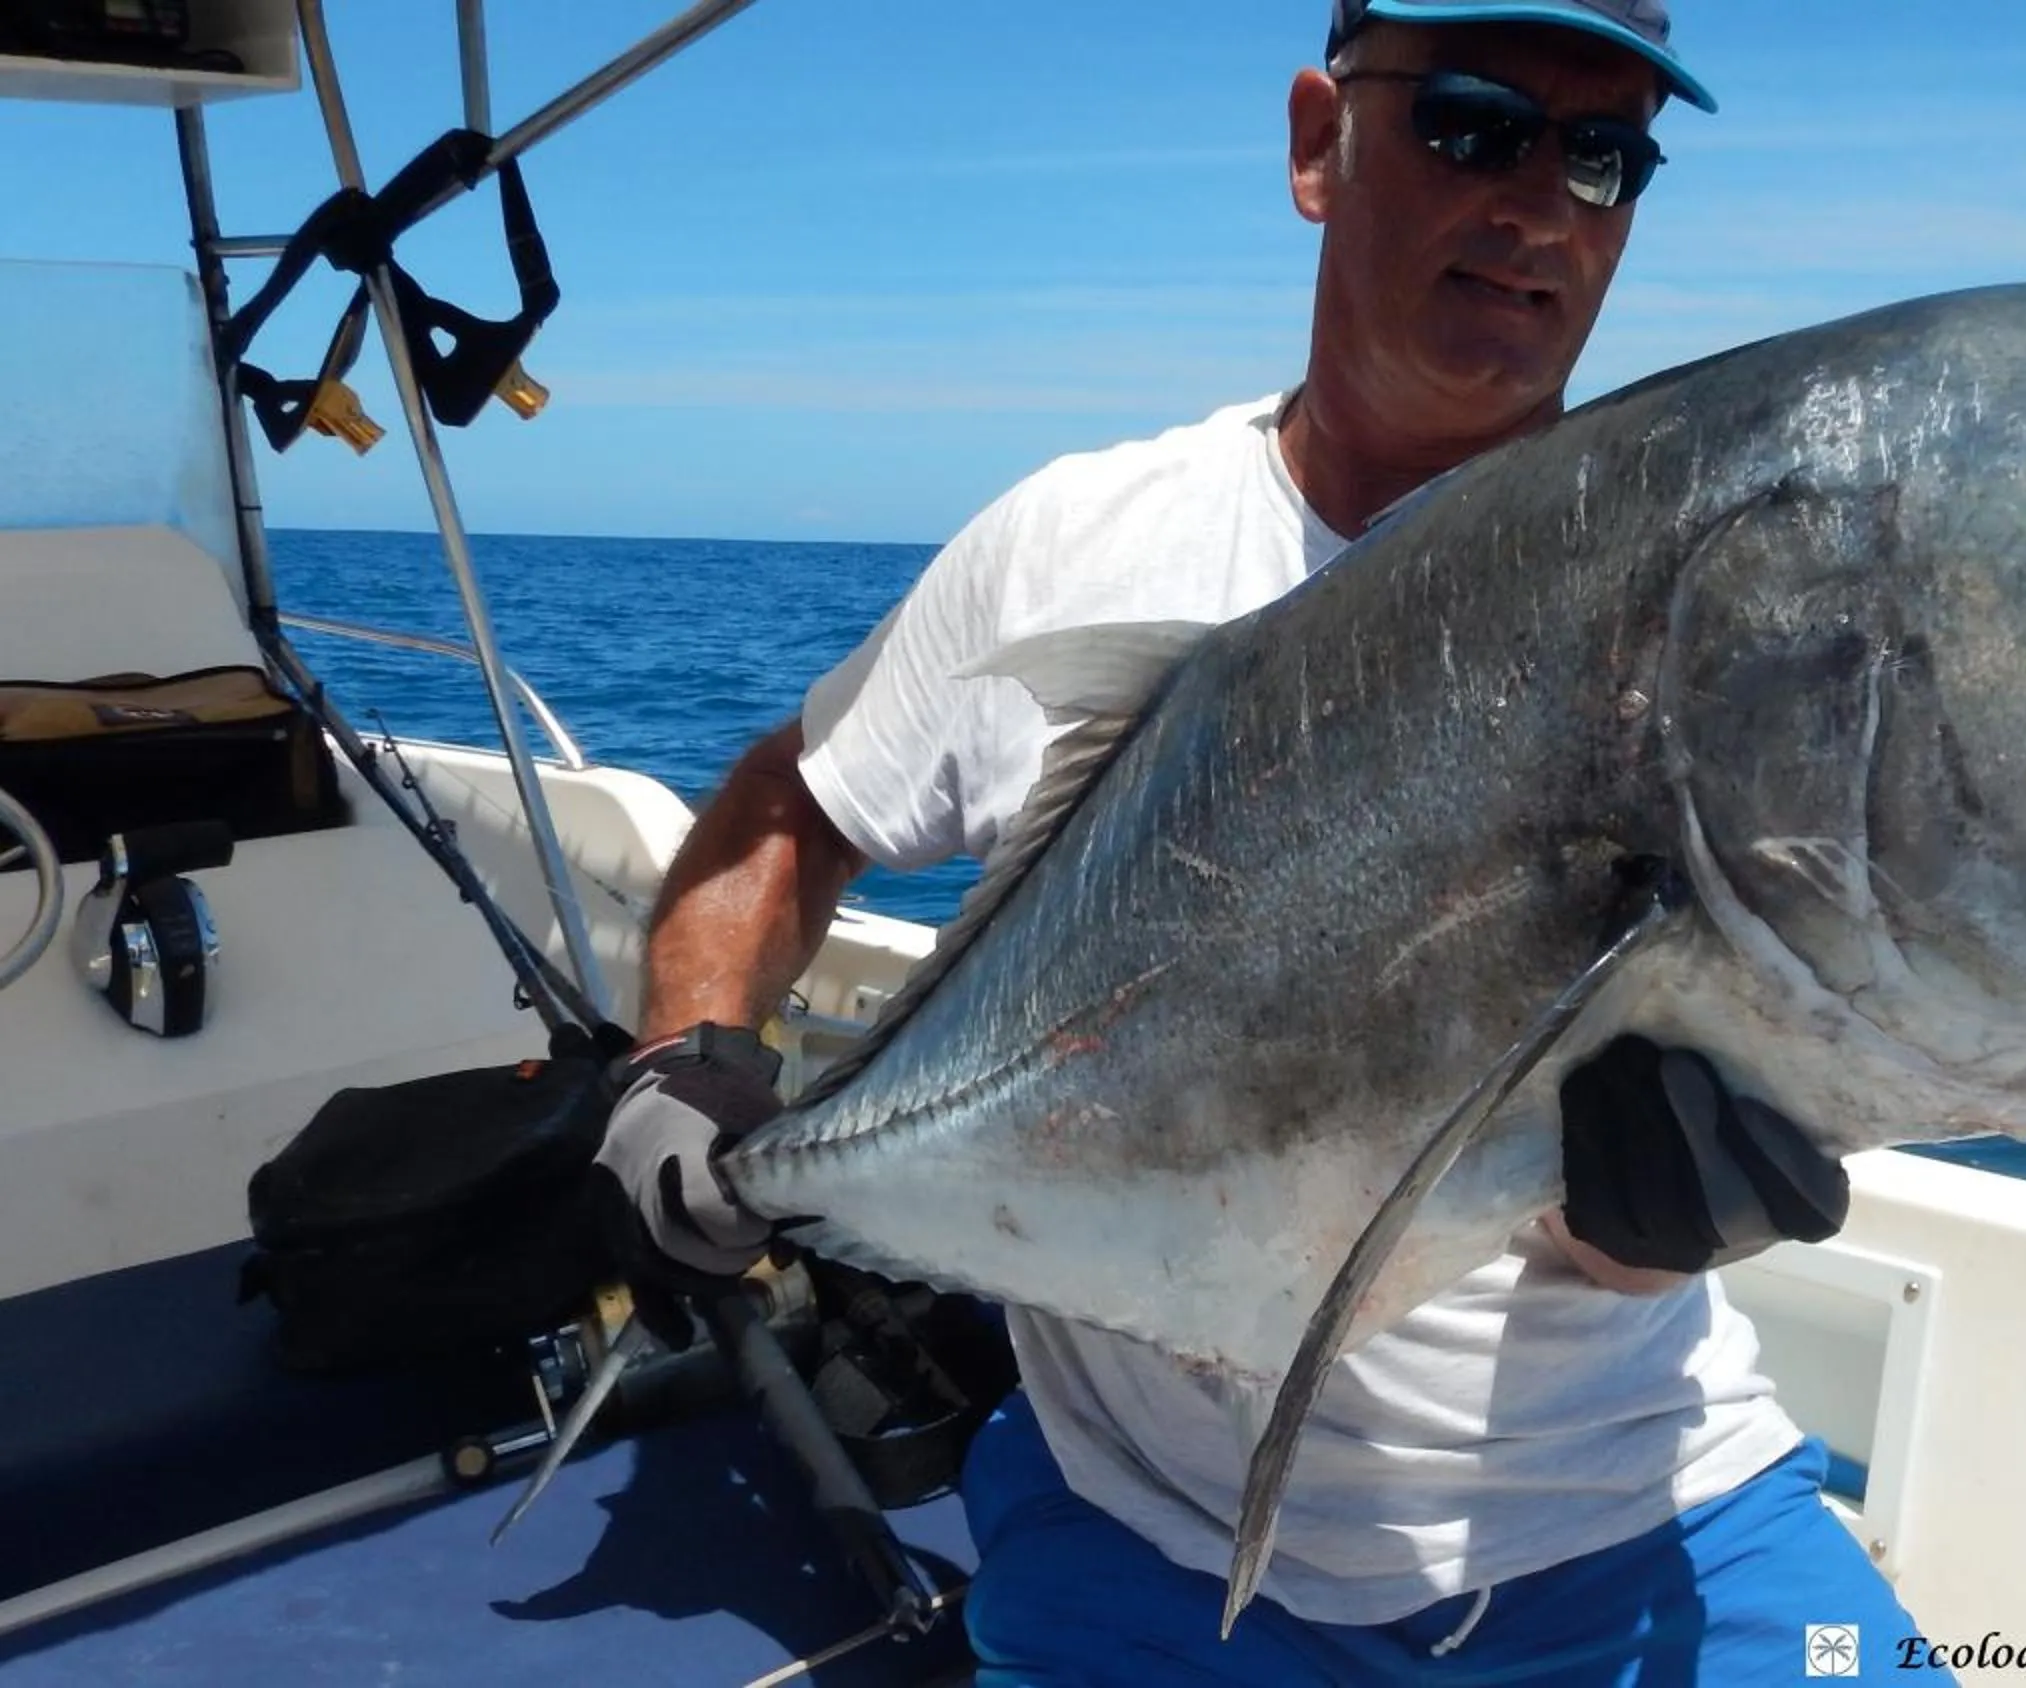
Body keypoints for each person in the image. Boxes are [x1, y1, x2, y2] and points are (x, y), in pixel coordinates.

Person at [596, 3, 1953, 1682]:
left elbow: (1610, 1129)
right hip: (1145, 1532)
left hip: (1642, 1514)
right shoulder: (1074, 545)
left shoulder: (1701, 617)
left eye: (1603, 158)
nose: (1541, 204)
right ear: (1321, 142)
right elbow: (789, 810)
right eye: (1474, 124)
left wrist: (1656, 1221)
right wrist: (687, 1061)